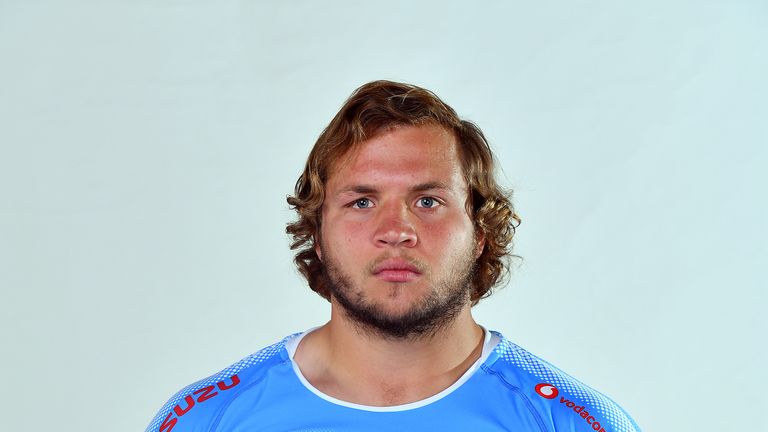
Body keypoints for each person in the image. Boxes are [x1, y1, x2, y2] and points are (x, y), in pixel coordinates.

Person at [145, 80, 641, 432]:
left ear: (481, 230)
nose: (396, 231)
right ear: (317, 233)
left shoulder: (569, 422)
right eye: (362, 202)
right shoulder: (206, 419)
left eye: (428, 201)